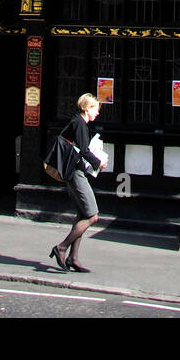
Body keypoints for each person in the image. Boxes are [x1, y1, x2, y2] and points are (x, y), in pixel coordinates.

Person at [49, 92, 108, 273]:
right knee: (93, 215)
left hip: (74, 172)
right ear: (86, 108)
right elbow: (83, 151)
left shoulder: (78, 123)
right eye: (95, 109)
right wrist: (99, 163)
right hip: (75, 174)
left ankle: (73, 259)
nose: (97, 113)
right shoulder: (80, 124)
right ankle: (61, 247)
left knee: (83, 214)